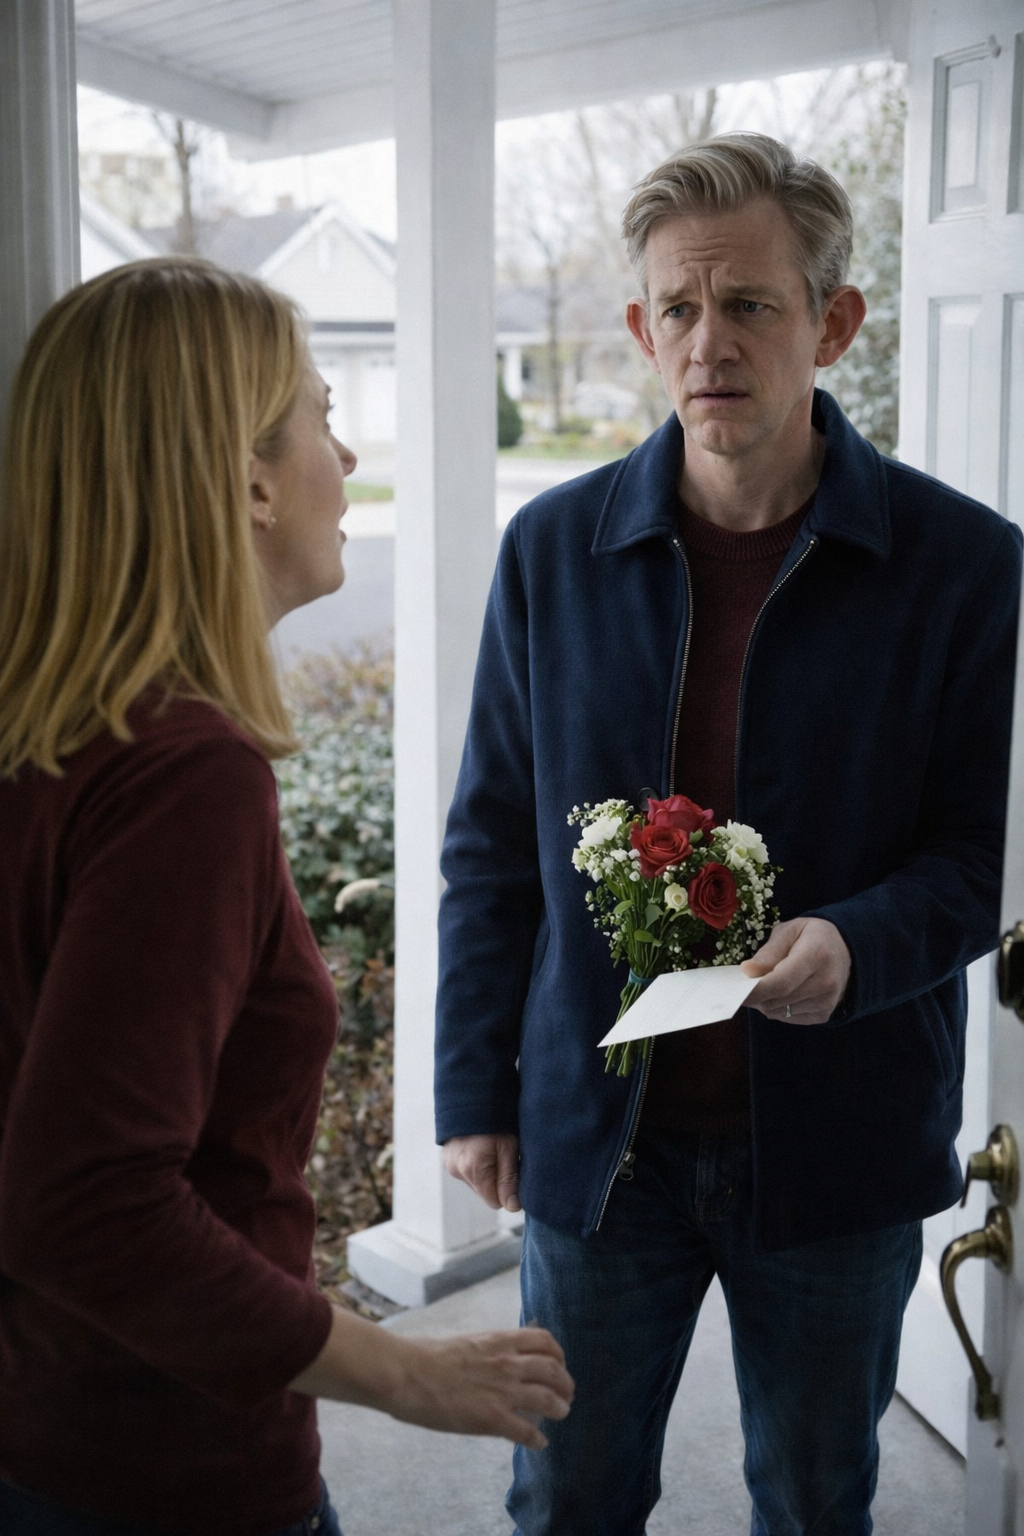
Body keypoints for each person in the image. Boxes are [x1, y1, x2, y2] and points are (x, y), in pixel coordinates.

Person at [434, 132, 1023, 1535]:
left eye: (750, 303)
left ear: (834, 321)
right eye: (679, 308)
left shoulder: (967, 565)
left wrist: (855, 946)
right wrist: (472, 1090)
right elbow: (492, 842)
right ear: (643, 330)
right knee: (565, 1499)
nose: (710, 342)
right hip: (603, 1141)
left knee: (816, 1502)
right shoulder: (551, 551)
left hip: (839, 1143)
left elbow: (975, 861)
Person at [0, 257, 573, 1536]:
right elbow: (86, 1200)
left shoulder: (56, 734)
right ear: (250, 481)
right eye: (321, 415)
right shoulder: (180, 776)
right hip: (162, 1472)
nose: (348, 455)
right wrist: (406, 1375)